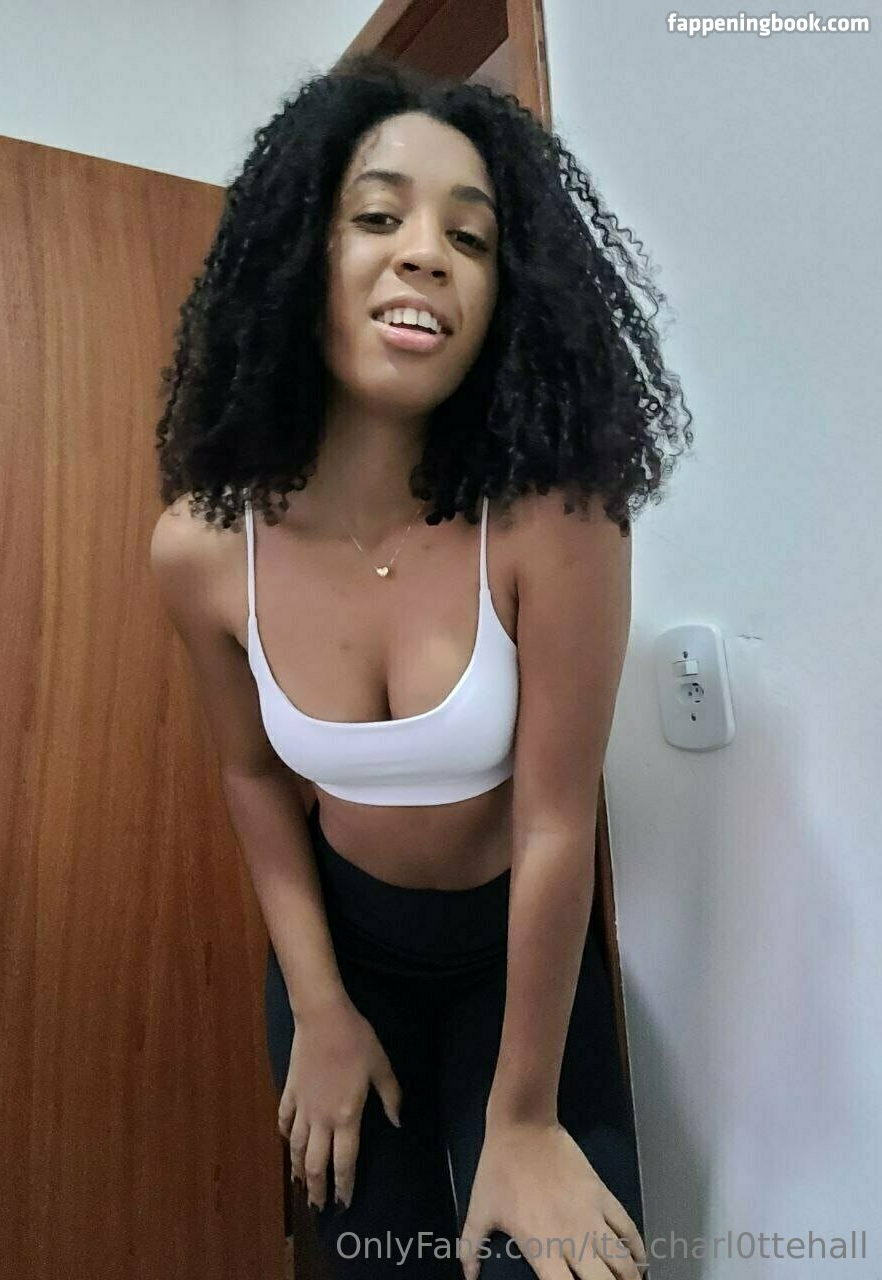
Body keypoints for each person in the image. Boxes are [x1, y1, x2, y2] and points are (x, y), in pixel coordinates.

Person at [150, 51, 692, 1280]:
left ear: (507, 296)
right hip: (344, 960)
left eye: (471, 236)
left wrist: (524, 1115)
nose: (426, 255)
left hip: (522, 960)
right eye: (379, 216)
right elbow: (252, 779)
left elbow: (557, 818)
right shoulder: (199, 549)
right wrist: (321, 1009)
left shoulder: (557, 522)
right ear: (299, 258)